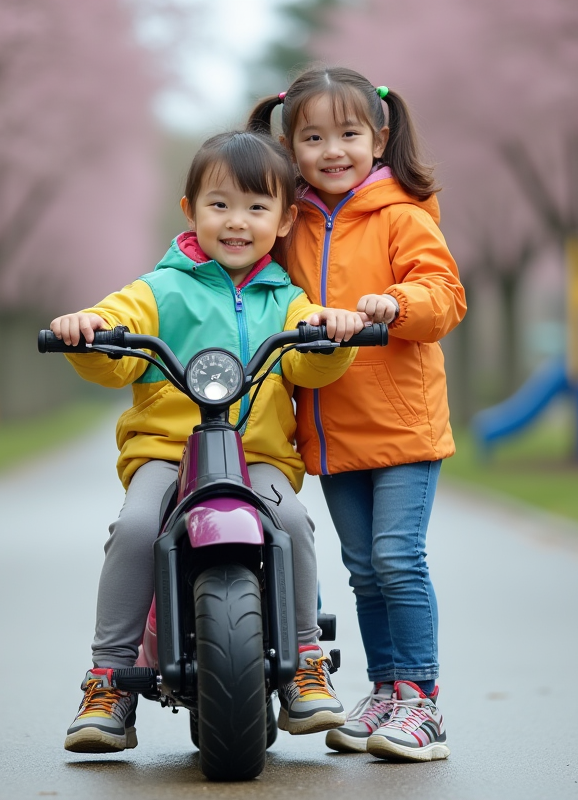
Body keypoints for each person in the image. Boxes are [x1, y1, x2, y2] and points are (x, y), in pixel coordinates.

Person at [52, 130, 367, 754]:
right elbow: (118, 339)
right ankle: (109, 678)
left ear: (285, 221)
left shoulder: (288, 299)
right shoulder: (159, 290)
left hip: (257, 458)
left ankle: (305, 662)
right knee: (136, 527)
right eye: (219, 204)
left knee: (293, 523)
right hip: (167, 453)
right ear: (190, 209)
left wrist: (330, 334)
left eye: (256, 207)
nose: (237, 221)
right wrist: (90, 331)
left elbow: (308, 365)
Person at [248, 66, 467, 763]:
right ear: (290, 146)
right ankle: (384, 689)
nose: (331, 151)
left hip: (402, 427)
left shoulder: (402, 214)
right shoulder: (291, 222)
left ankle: (421, 701)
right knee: (363, 568)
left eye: (347, 134)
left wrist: (393, 304)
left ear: (379, 137)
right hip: (332, 430)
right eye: (312, 138)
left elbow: (444, 295)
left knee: (397, 559)